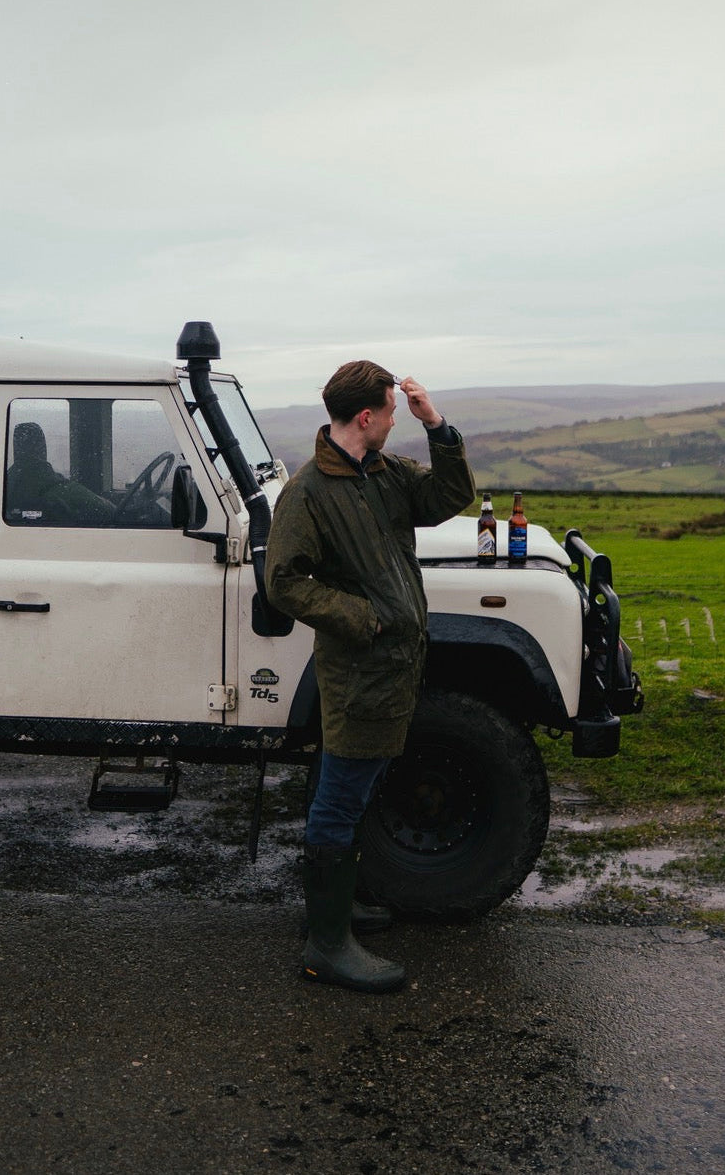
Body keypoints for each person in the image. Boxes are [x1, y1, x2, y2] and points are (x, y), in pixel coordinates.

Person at [265, 360, 475, 993]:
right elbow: (282, 581)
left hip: (393, 668)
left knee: (353, 783)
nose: (393, 421)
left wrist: (435, 424)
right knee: (340, 798)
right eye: (390, 411)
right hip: (359, 669)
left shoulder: (384, 475)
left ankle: (340, 907)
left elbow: (448, 498)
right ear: (367, 417)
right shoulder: (308, 492)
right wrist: (363, 619)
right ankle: (327, 944)